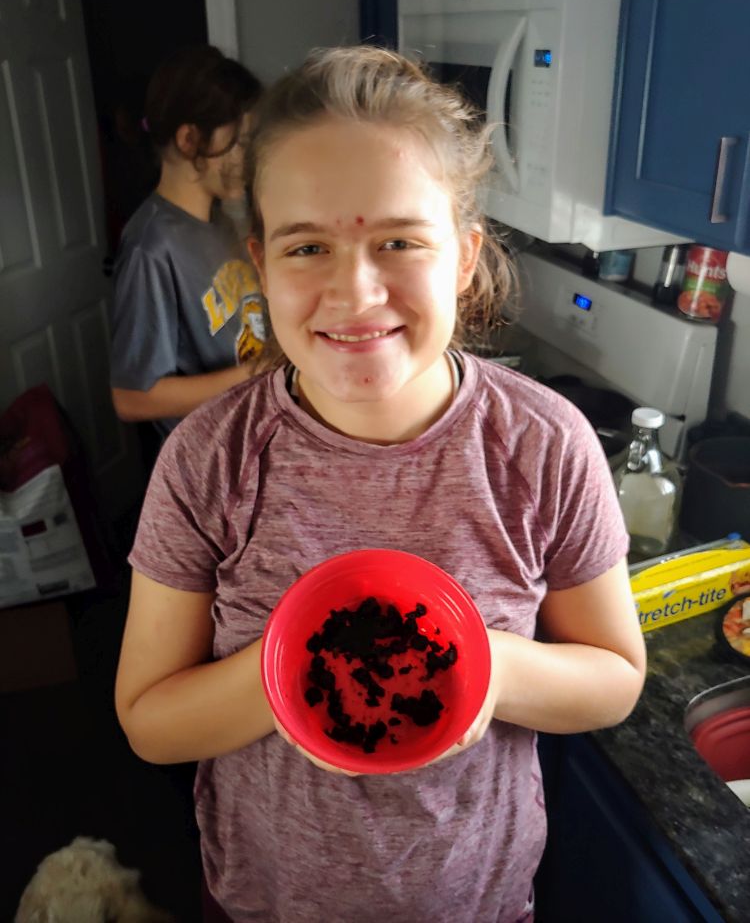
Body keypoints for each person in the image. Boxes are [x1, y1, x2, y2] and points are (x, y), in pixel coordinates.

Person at [115, 46, 646, 923]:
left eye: (398, 241)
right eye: (308, 246)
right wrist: (302, 672)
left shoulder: (544, 447)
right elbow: (148, 720)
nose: (355, 291)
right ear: (261, 261)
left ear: (465, 256)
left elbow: (616, 679)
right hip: (266, 902)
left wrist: (485, 668)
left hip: (475, 899)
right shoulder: (210, 460)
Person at [109, 45, 266, 438]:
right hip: (204, 462)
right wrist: (259, 373)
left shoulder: (221, 220)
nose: (247, 159)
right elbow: (132, 398)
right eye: (241, 143)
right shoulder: (152, 246)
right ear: (189, 139)